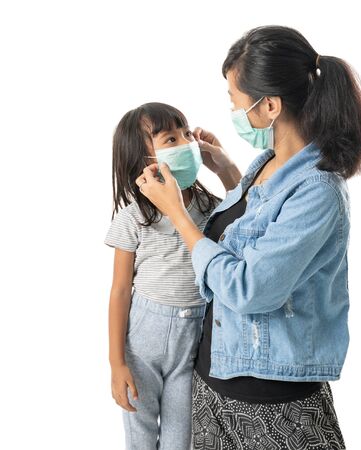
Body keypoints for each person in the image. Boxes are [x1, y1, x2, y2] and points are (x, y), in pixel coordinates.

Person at [137, 25, 361, 449]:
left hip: (270, 399)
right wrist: (226, 170)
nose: (232, 109)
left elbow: (249, 288)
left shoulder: (318, 191)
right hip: (215, 381)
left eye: (235, 100)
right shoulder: (264, 163)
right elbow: (246, 231)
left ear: (269, 106)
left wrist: (176, 211)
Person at [104, 102, 238, 449]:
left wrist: (223, 164)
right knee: (141, 437)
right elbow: (120, 292)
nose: (185, 144)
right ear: (143, 161)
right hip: (142, 344)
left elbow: (249, 214)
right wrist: (117, 363)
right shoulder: (133, 218)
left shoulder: (211, 208)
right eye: (170, 139)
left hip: (192, 342)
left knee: (182, 441)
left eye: (186, 134)